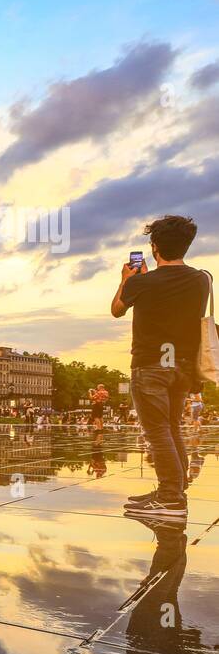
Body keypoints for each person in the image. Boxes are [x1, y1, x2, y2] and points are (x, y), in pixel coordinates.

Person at [112, 215, 209, 518]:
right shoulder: (202, 279)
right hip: (182, 365)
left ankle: (170, 498)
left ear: (154, 248)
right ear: (186, 245)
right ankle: (174, 492)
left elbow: (116, 309)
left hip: (151, 364)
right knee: (171, 429)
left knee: (157, 432)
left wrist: (127, 279)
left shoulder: (141, 282)